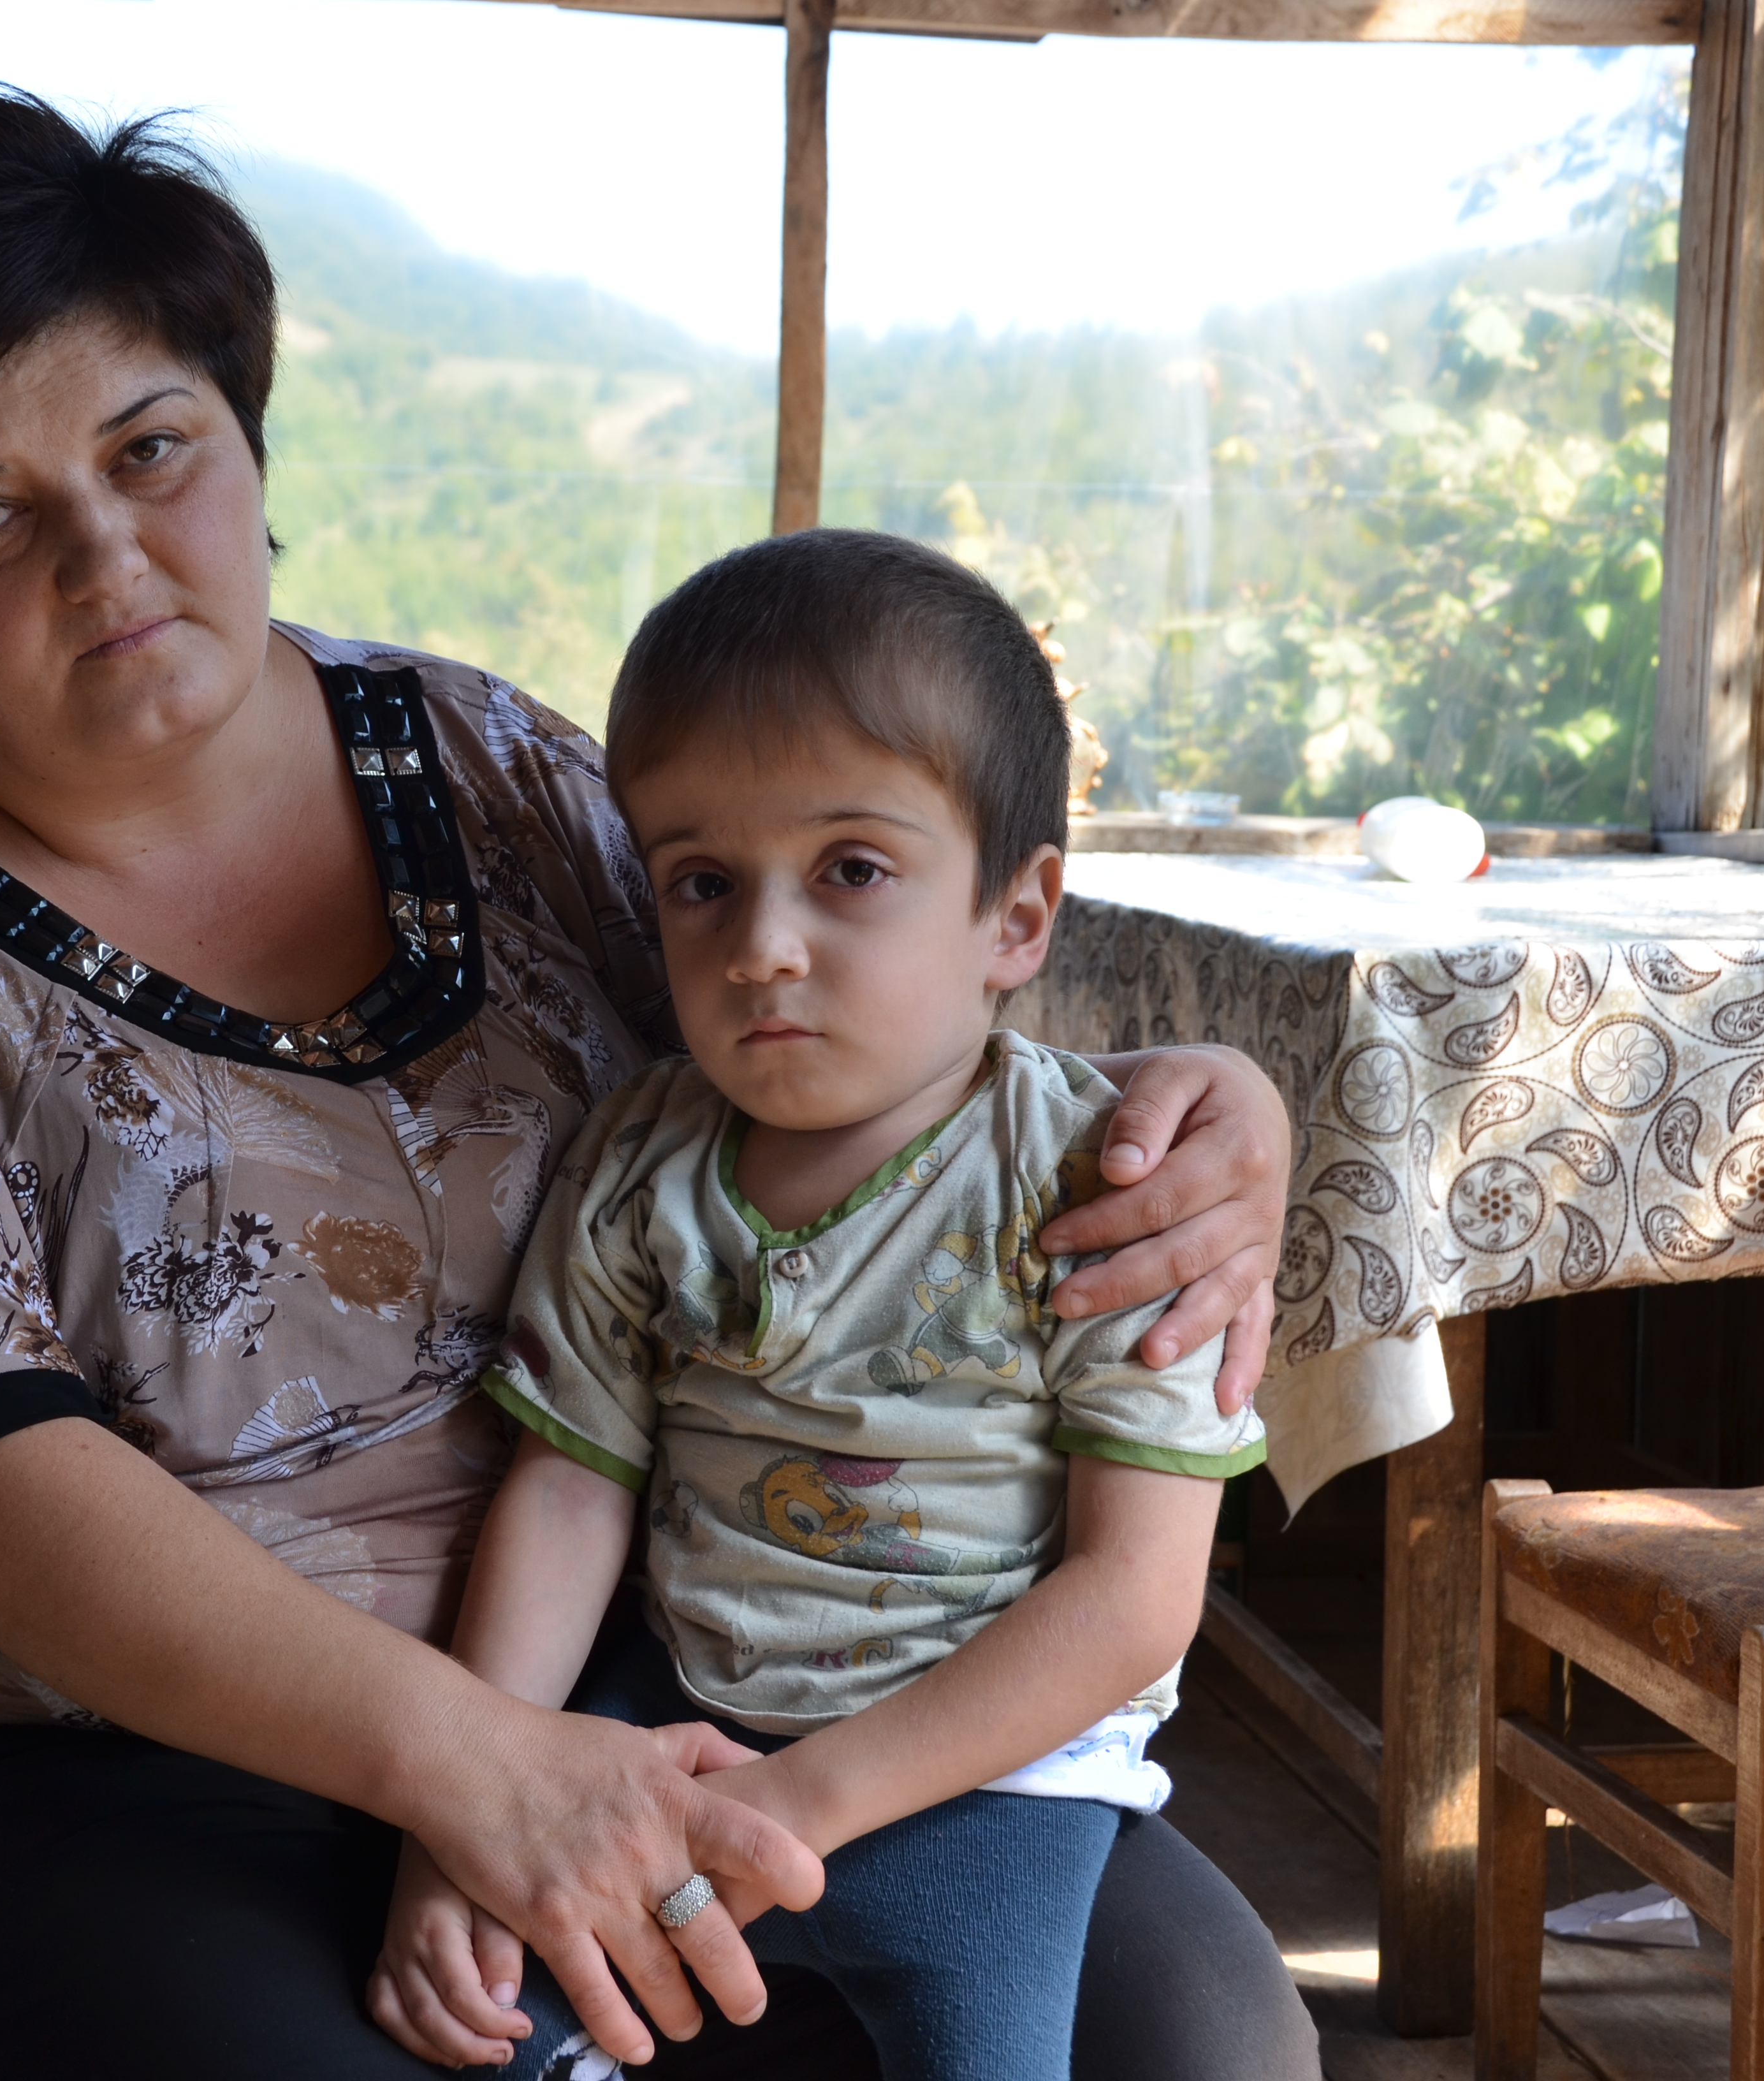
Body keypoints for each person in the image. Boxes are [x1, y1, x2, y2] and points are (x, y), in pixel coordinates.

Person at [0, 86, 1319, 2081]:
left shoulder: (488, 766)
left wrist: (1202, 1100)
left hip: (699, 1671)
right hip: (130, 1776)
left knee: (1195, 2034)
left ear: (246, 438)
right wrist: (492, 1779)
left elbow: (856, 1027)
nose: (107, 553)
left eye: (152, 449)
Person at [368, 531, 1272, 2080]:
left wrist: (809, 1804)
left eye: (852, 871)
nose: (761, 951)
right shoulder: (638, 1160)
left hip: (989, 1773)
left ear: (1017, 916)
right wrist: (463, 1822)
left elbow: (1133, 1596)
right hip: (670, 1725)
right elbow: (574, 1492)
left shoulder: (1105, 1189)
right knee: (482, 2034)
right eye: (701, 885)